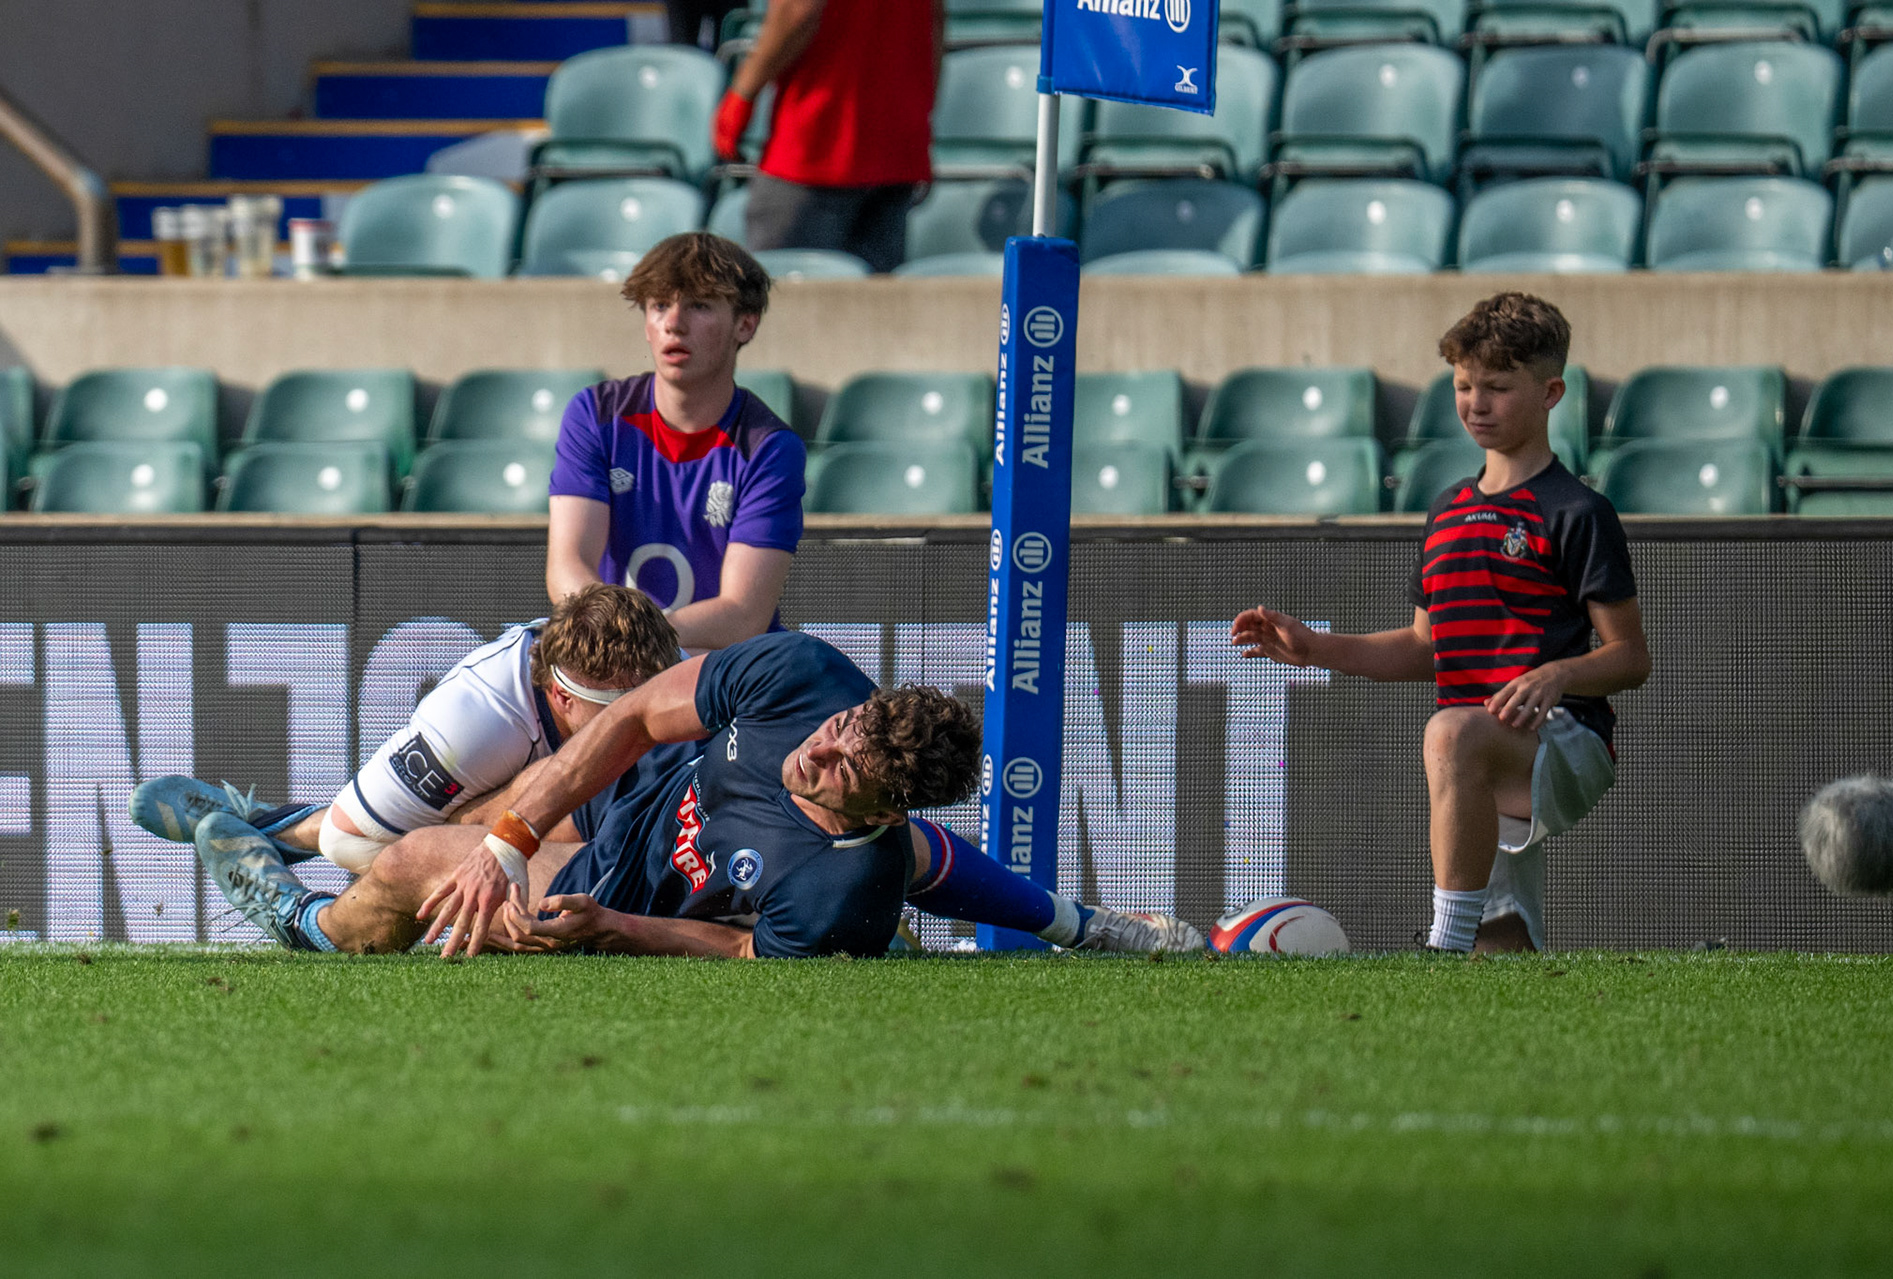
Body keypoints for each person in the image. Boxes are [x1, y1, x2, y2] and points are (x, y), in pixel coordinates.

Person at [194, 631, 1206, 959]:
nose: (817, 751)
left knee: (414, 863)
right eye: (838, 731)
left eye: (842, 770)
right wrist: (507, 838)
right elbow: (636, 714)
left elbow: (746, 955)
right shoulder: (804, 677)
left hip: (619, 882)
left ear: (883, 806)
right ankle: (300, 827)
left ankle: (305, 920)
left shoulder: (844, 883)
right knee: (483, 817)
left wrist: (618, 925)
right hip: (634, 790)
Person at [1230, 293, 1651, 954]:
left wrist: (1558, 673)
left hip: (1565, 737)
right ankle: (1476, 958)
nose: (1476, 403)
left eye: (1497, 387)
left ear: (1550, 393)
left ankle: (1441, 947)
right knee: (1503, 947)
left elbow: (1630, 657)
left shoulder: (1578, 511)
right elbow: (1426, 647)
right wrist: (1315, 647)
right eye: (1463, 386)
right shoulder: (1447, 508)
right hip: (1482, 748)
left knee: (1449, 732)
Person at [130, 583, 683, 873]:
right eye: (623, 708)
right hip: (482, 766)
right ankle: (270, 834)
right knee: (358, 837)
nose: (646, 715)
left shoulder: (656, 668)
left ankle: (264, 825)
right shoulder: (477, 722)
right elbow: (348, 843)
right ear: (562, 694)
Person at [546, 233, 804, 652]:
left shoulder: (770, 448)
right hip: (612, 654)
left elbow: (743, 614)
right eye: (660, 305)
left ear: (746, 323)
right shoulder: (595, 415)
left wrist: (636, 641)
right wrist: (616, 644)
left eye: (699, 305)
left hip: (719, 669)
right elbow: (567, 567)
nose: (674, 323)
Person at [709, 0, 942, 273]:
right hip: (894, 149)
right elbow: (936, 20)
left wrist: (742, 92)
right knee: (874, 297)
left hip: (815, 146)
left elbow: (799, 10)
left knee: (782, 294)